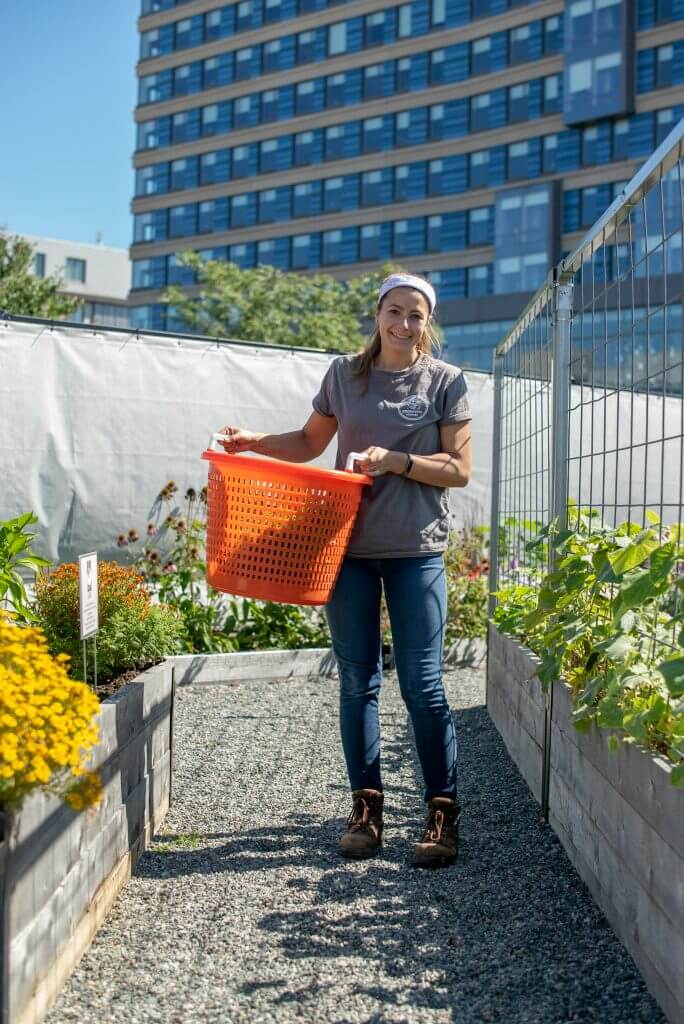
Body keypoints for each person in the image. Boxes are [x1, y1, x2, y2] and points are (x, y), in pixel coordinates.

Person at [217, 272, 472, 868]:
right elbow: (310, 441)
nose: (403, 324)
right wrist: (253, 441)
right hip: (346, 549)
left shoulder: (445, 381)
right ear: (377, 313)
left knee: (424, 686)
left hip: (415, 550)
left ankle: (441, 814)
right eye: (394, 311)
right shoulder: (344, 375)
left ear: (426, 322)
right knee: (358, 681)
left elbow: (458, 470)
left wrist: (398, 461)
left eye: (415, 315)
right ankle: (366, 811)